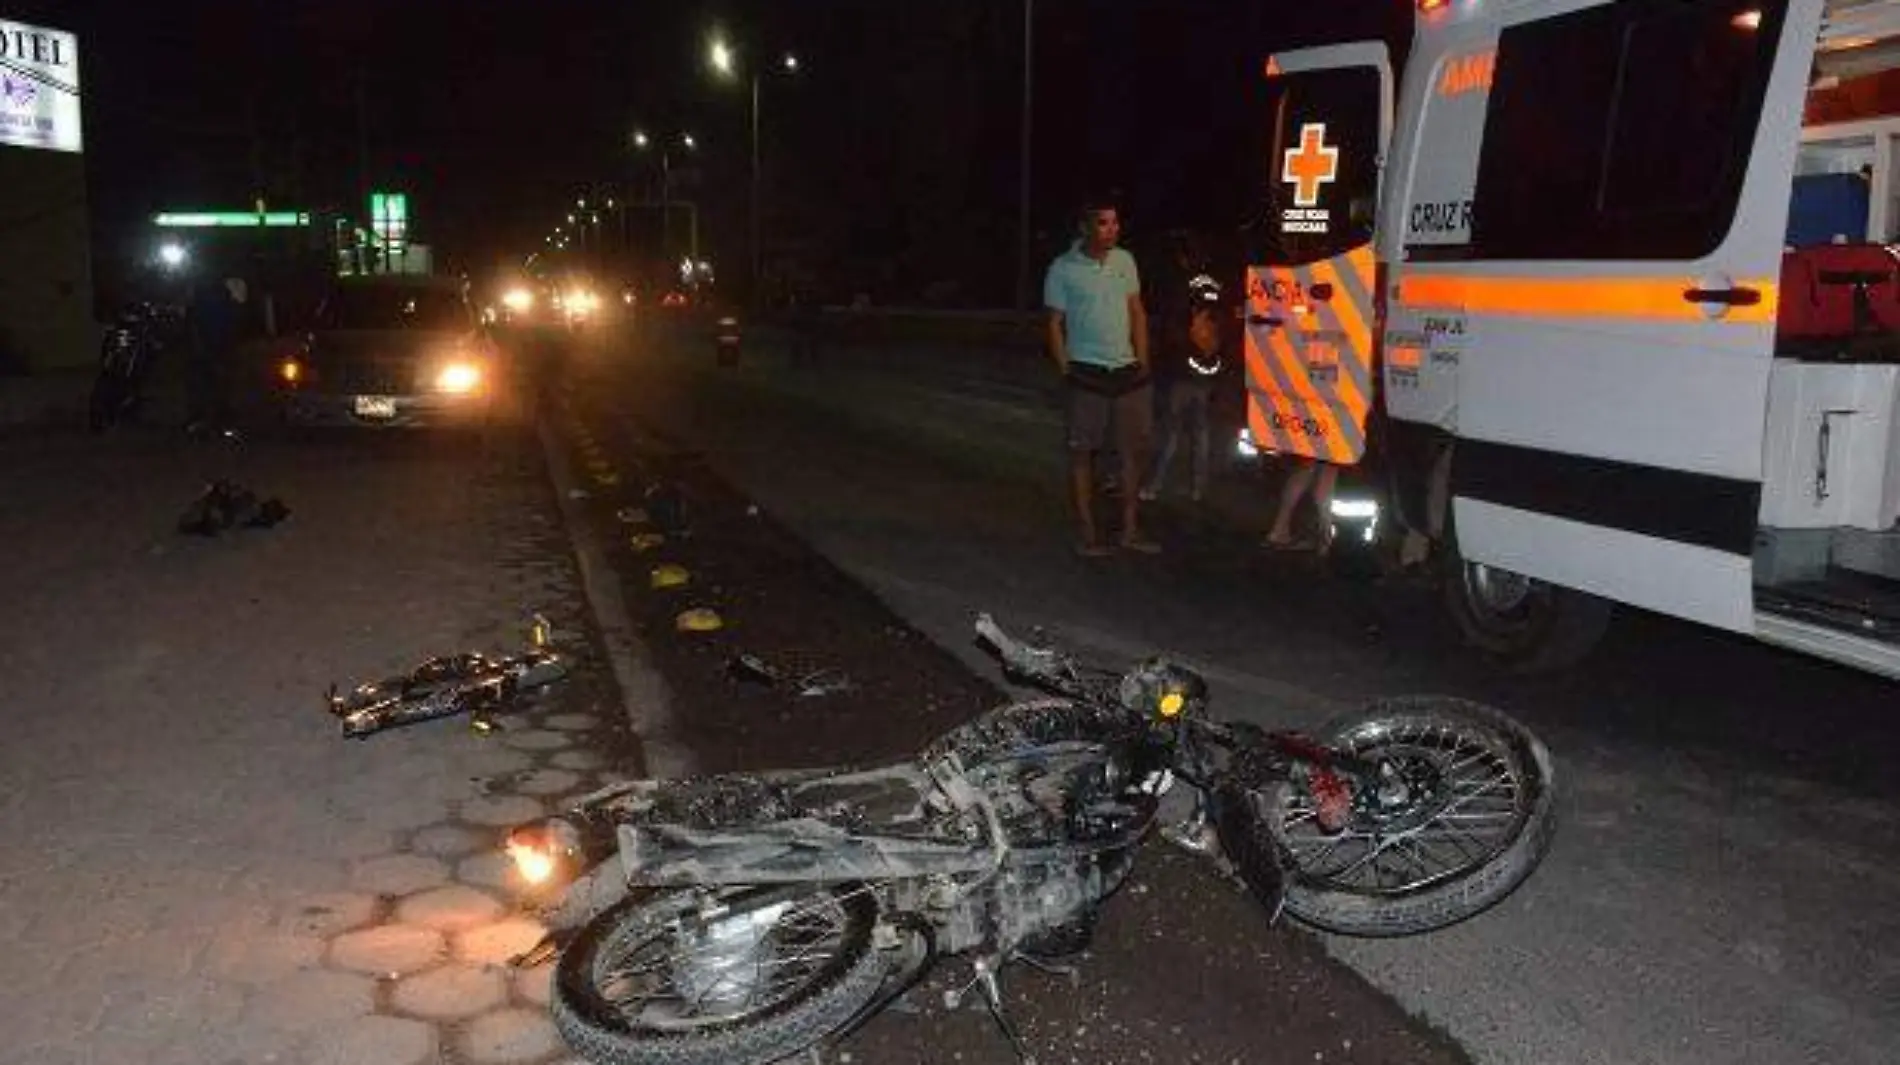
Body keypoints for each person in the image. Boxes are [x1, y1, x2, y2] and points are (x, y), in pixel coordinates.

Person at [1044, 197, 1158, 556]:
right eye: (1104, 223)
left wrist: (1143, 359)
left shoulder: (1125, 261)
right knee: (1082, 454)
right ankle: (1088, 532)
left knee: (1131, 453)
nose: (1112, 230)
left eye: (1115, 223)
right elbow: (1053, 324)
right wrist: (1065, 368)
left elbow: (1136, 312)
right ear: (1085, 228)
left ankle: (1129, 530)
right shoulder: (1062, 268)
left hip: (1126, 372)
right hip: (1087, 373)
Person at [1141, 262, 1225, 504]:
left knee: (1172, 432)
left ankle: (1154, 485)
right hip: (1207, 369)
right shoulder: (1216, 287)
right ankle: (1197, 489)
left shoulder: (1186, 287)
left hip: (1183, 372)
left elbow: (1176, 327)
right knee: (1200, 434)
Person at [186, 274, 248, 438]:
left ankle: (204, 422)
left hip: (210, 347)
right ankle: (215, 423)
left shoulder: (210, 297)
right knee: (217, 385)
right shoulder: (219, 301)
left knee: (210, 385)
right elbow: (219, 327)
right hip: (213, 347)